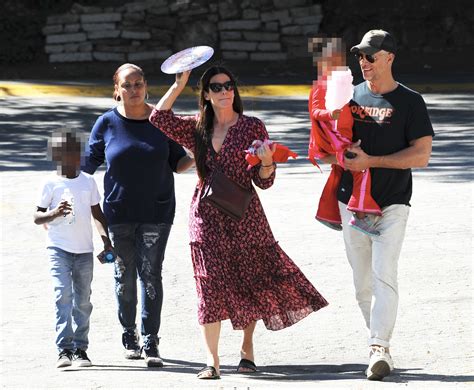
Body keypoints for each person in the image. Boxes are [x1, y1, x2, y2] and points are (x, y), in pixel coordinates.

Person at [149, 65, 328, 379]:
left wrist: (268, 164)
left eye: (228, 85)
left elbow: (264, 182)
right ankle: (212, 361)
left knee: (249, 280)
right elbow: (158, 118)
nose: (224, 91)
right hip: (205, 215)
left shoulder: (252, 127)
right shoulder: (196, 127)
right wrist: (179, 85)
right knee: (208, 283)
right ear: (206, 95)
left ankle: (247, 349)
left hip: (245, 215)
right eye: (216, 87)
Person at [322, 30, 434, 380]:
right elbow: (328, 148)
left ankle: (379, 347)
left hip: (392, 202)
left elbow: (422, 155)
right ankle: (377, 339)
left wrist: (371, 161)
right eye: (360, 57)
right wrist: (331, 149)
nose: (364, 62)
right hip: (350, 203)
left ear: (389, 57)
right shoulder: (347, 97)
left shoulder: (411, 102)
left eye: (371, 56)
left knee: (385, 274)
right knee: (362, 283)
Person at [83, 63, 194, 367]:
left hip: (157, 210)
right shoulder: (105, 123)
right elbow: (85, 168)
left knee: (151, 274)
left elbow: (178, 161)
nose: (134, 90)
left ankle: (151, 339)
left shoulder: (160, 120)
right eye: (127, 85)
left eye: (139, 84)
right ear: (116, 90)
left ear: (146, 86)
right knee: (124, 279)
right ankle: (128, 332)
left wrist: (200, 154)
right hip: (118, 213)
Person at [34, 128, 112, 368]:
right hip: (58, 249)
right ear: (54, 156)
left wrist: (105, 240)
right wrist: (54, 213)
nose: (68, 156)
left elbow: (97, 214)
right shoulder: (50, 184)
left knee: (83, 301)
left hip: (84, 251)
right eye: (61, 152)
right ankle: (64, 350)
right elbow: (37, 217)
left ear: (80, 154)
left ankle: (81, 349)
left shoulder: (87, 182)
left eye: (73, 151)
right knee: (63, 296)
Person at [308, 37, 382, 236]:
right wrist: (330, 114)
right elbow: (315, 112)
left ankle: (327, 213)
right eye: (329, 61)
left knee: (339, 172)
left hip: (342, 137)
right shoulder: (321, 85)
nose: (335, 65)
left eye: (338, 60)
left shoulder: (336, 82)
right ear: (320, 63)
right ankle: (359, 215)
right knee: (361, 168)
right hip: (334, 139)